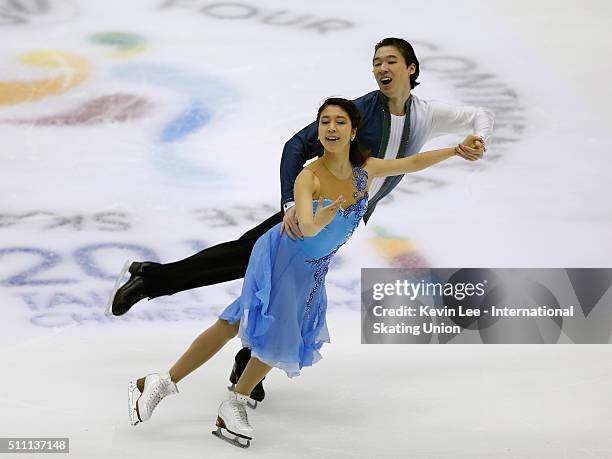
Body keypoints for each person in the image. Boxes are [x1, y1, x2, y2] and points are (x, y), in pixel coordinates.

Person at [107, 37, 494, 404]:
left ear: (411, 69)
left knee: (283, 294)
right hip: (307, 214)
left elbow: (477, 116)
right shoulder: (355, 113)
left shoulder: (425, 115)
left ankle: (240, 364)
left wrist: (476, 140)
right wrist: (292, 203)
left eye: (390, 61)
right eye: (376, 62)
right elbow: (296, 145)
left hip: (339, 223)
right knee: (252, 266)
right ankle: (157, 285)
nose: (381, 68)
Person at [127, 97, 481, 448]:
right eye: (324, 121)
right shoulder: (309, 176)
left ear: (354, 131)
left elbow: (414, 161)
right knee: (274, 331)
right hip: (284, 256)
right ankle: (227, 401)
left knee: (244, 322)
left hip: (312, 268)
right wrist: (328, 213)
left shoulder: (366, 170)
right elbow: (308, 227)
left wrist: (454, 150)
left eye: (340, 122)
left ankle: (163, 383)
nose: (331, 128)